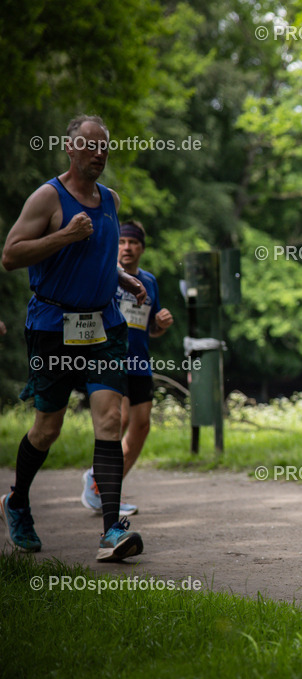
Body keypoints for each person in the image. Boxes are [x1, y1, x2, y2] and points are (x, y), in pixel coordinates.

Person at [1, 115, 144, 561]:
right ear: (69, 147)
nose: (98, 154)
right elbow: (10, 255)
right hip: (52, 328)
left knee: (108, 418)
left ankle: (111, 532)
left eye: (105, 147)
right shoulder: (48, 196)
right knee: (48, 429)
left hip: (103, 326)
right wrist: (64, 234)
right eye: (89, 146)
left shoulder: (111, 201)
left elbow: (98, 254)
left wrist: (123, 277)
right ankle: (17, 501)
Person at [81, 221, 173, 515]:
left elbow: (150, 330)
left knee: (142, 425)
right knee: (117, 420)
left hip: (139, 362)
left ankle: (102, 485)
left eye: (133, 243)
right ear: (115, 246)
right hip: (110, 359)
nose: (127, 247)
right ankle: (102, 488)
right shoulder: (106, 276)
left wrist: (160, 325)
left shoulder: (149, 281)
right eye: (122, 242)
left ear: (142, 249)